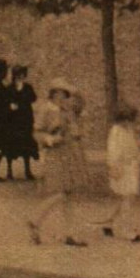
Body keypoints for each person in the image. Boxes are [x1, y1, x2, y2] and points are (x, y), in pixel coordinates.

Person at [27, 79, 88, 247]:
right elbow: (37, 132)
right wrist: (51, 139)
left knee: (69, 195)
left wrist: (74, 88)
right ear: (53, 94)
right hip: (55, 154)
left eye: (65, 94)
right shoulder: (46, 110)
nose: (63, 97)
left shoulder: (67, 109)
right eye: (59, 93)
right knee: (59, 194)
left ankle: (70, 234)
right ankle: (35, 220)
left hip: (70, 155)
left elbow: (81, 103)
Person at [100, 103, 140, 242]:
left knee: (124, 198)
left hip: (131, 167)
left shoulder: (129, 130)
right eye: (130, 120)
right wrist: (113, 166)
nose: (131, 123)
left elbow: (135, 147)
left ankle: (108, 224)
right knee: (127, 198)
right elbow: (113, 151)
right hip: (122, 168)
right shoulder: (116, 131)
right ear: (124, 119)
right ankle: (127, 230)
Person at [3, 65, 38, 180]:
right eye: (18, 74)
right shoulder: (9, 88)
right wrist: (10, 105)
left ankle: (27, 170)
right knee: (11, 146)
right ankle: (9, 170)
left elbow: (33, 98)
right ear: (14, 75)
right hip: (13, 121)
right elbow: (5, 100)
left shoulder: (28, 87)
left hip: (25, 120)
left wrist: (23, 99)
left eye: (22, 74)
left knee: (26, 145)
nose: (21, 76)